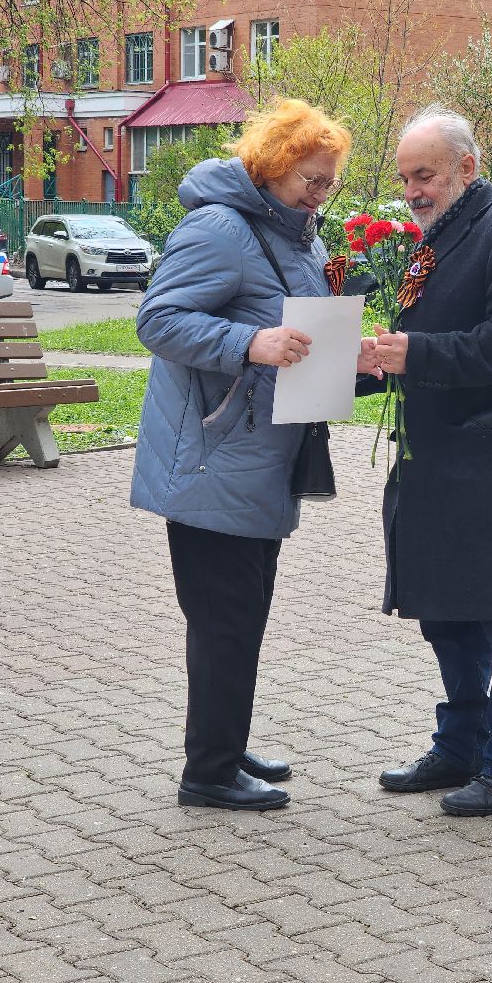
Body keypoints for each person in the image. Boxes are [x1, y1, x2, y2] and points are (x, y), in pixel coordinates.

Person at [130, 99, 380, 812]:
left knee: (241, 615)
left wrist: (356, 361)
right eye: (310, 177)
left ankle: (224, 743)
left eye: (329, 182)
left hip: (261, 458)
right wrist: (249, 343)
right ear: (271, 166)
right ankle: (207, 773)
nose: (320, 192)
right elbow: (158, 319)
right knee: (225, 620)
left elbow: (298, 339)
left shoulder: (300, 239)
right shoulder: (218, 227)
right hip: (213, 457)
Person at [370, 104, 492, 817]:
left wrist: (414, 353)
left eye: (423, 175)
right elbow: (423, 340)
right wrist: (375, 358)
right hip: (439, 466)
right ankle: (462, 746)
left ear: (468, 167)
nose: (412, 192)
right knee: (447, 615)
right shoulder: (434, 243)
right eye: (404, 179)